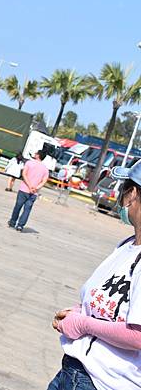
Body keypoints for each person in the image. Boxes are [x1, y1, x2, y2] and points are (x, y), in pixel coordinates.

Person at [47, 162, 141, 390]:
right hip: (75, 371)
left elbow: (138, 335)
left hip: (104, 382)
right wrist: (81, 311)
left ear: (133, 193)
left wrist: (84, 324)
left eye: (124, 190)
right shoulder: (127, 246)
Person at [8, 149, 49, 232]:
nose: (34, 154)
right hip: (34, 193)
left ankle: (12, 222)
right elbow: (44, 181)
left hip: (24, 189)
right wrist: (36, 188)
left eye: (36, 153)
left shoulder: (29, 163)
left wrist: (30, 186)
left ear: (38, 155)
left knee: (18, 206)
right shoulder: (45, 169)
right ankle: (20, 226)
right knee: (27, 209)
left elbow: (24, 174)